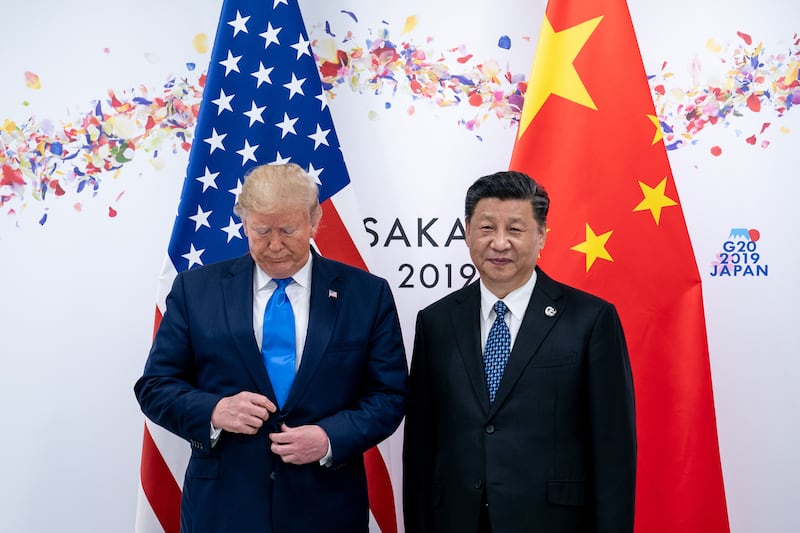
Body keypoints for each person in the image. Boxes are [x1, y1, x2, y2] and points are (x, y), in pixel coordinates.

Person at [135, 163, 408, 533]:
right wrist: (214, 410)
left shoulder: (366, 295)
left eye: (288, 230)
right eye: (262, 231)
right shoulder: (195, 290)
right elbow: (155, 387)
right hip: (223, 510)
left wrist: (329, 438)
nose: (275, 245)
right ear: (244, 224)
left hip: (326, 509)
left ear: (314, 221)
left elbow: (389, 395)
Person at [403, 170, 636, 533]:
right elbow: (420, 445)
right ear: (467, 232)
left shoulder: (590, 320)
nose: (499, 243)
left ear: (541, 235)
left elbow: (613, 449)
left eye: (515, 229)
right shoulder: (436, 321)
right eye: (486, 228)